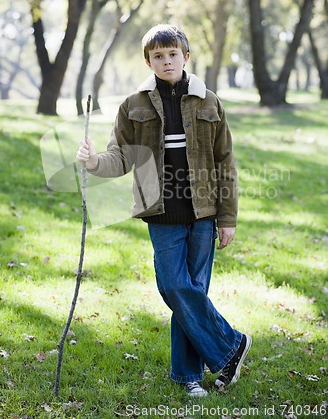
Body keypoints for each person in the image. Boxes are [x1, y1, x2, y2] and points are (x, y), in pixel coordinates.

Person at [76, 24, 251, 397]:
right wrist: (93, 162)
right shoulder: (133, 105)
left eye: (173, 54)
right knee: (176, 287)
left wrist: (228, 217)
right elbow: (120, 156)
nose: (166, 61)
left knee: (193, 292)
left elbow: (226, 162)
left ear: (185, 57)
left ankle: (188, 377)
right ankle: (231, 347)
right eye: (158, 56)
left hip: (203, 213)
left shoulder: (209, 102)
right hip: (161, 212)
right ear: (148, 61)